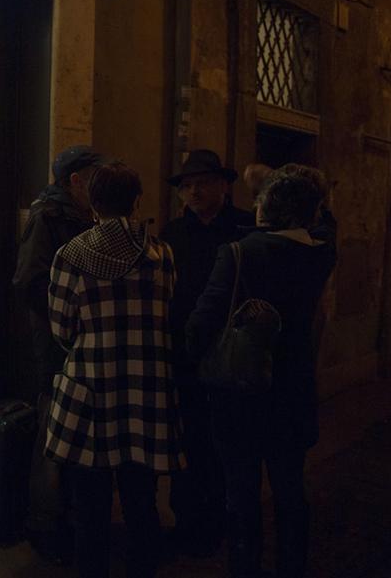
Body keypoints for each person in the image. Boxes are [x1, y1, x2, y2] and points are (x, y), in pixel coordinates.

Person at [186, 168, 336, 578]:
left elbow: (203, 320)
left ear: (266, 208)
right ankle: (292, 566)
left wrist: (194, 358)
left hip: (241, 394)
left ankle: (245, 566)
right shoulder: (321, 252)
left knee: (241, 493)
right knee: (290, 491)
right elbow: (327, 222)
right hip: (293, 390)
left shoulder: (240, 252)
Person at [45, 162, 185, 578]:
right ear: (137, 201)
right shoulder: (162, 254)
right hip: (148, 389)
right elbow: (167, 314)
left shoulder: (70, 255)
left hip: (91, 388)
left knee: (90, 505)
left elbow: (61, 329)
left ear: (92, 202)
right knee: (142, 500)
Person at [12, 145, 104, 563]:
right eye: (96, 176)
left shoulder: (83, 216)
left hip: (75, 341)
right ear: (76, 180)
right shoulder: (48, 217)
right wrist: (66, 320)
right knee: (53, 429)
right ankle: (45, 524)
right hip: (55, 343)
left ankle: (66, 518)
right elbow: (30, 281)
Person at [160, 149, 255, 555]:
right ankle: (186, 522)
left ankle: (221, 522)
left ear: (223, 186)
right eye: (187, 185)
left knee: (225, 443)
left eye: (202, 183)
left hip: (229, 353)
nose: (194, 191)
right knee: (186, 440)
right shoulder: (172, 234)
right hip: (183, 353)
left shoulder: (245, 229)